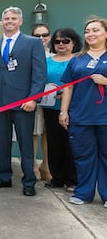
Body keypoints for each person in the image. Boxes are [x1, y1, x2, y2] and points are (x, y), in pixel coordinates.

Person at [0, 6, 47, 197]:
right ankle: (4, 177)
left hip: (23, 103)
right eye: (6, 19)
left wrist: (34, 99)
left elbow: (39, 74)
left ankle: (29, 181)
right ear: (2, 22)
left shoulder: (33, 43)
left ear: (20, 22)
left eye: (13, 18)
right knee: (3, 141)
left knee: (25, 143)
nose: (9, 21)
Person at [59, 17, 107, 207]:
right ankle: (84, 193)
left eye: (95, 30)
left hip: (104, 117)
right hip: (81, 116)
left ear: (105, 33)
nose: (91, 34)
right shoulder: (77, 60)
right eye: (87, 31)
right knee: (83, 157)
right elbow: (68, 88)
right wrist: (63, 112)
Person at [42, 28, 81, 193]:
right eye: (57, 41)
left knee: (70, 144)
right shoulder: (47, 61)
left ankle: (72, 179)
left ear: (74, 43)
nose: (61, 45)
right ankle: (56, 177)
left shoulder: (79, 60)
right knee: (54, 143)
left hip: (74, 108)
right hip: (51, 108)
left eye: (66, 41)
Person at [31, 24, 52, 182]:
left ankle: (46, 165)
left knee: (47, 133)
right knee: (33, 132)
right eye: (37, 35)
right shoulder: (29, 54)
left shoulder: (54, 56)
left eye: (44, 35)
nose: (41, 38)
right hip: (34, 99)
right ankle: (33, 165)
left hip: (51, 101)